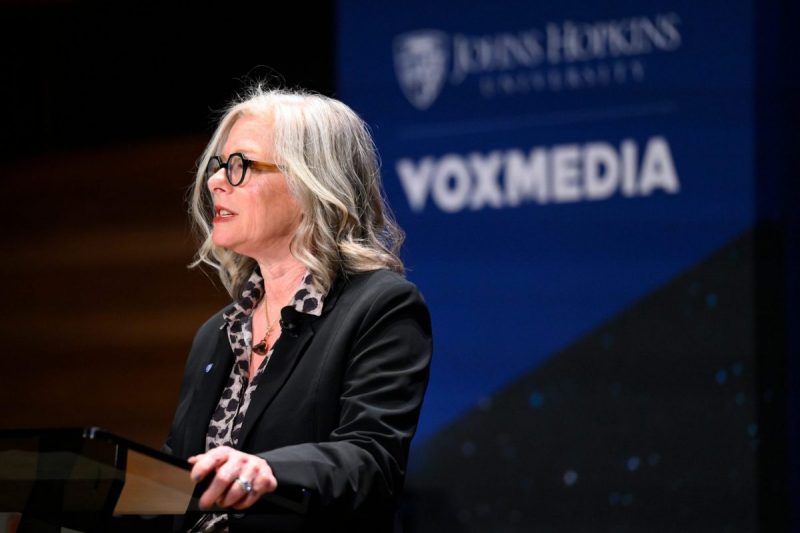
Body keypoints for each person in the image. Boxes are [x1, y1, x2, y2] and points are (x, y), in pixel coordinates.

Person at [162, 85, 432, 533]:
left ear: (310, 184)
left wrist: (270, 471)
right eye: (217, 165)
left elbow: (371, 459)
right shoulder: (218, 332)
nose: (214, 181)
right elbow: (176, 480)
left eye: (239, 166)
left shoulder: (380, 308)